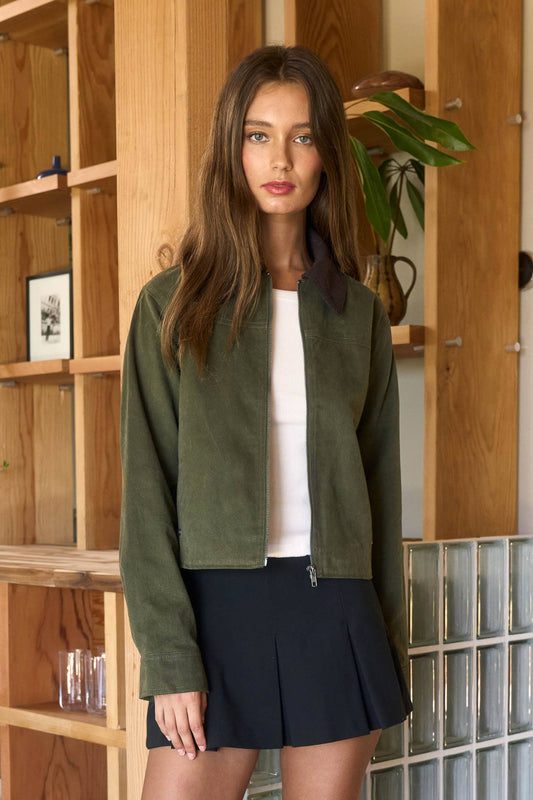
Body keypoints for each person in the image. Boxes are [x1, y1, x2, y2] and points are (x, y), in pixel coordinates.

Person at [119, 44, 412, 800]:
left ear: (325, 157)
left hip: (335, 609)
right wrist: (170, 662)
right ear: (231, 149)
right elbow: (146, 502)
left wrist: (386, 646)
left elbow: (380, 492)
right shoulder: (171, 306)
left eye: (302, 134)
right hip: (217, 613)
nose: (278, 157)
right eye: (257, 134)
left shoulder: (359, 319)